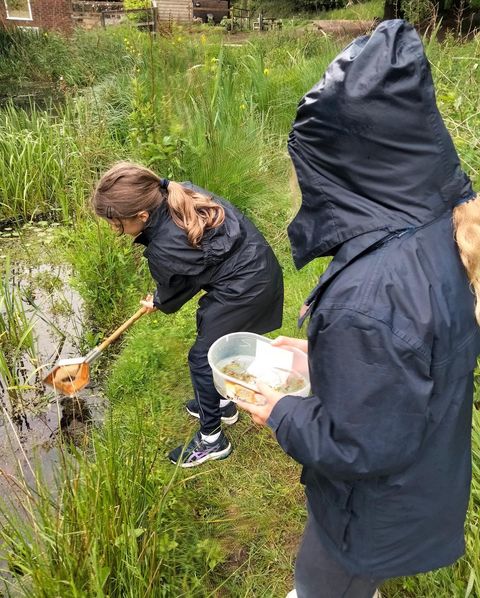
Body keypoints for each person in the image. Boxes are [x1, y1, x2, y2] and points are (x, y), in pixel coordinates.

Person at [238, 20, 480, 598]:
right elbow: (407, 369)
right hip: (414, 483)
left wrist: (280, 413)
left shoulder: (369, 298)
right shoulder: (439, 230)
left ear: (348, 164)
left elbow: (360, 445)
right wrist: (322, 354)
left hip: (367, 514)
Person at [91, 162, 283, 467]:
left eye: (116, 223)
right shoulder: (176, 193)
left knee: (202, 357)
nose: (115, 229)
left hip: (246, 288)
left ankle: (212, 440)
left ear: (142, 216)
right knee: (214, 337)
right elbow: (194, 271)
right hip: (256, 270)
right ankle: (221, 404)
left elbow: (178, 288)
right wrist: (160, 297)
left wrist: (159, 300)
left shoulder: (166, 246)